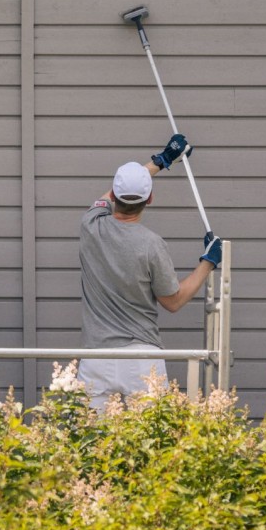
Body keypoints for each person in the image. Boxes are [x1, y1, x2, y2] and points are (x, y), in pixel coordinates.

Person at [78, 135, 223, 410]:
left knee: (89, 440)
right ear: (150, 199)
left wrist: (162, 160)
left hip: (95, 355)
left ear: (113, 195)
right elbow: (174, 301)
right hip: (141, 358)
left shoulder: (90, 225)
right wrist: (208, 261)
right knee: (152, 443)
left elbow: (111, 194)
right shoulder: (151, 244)